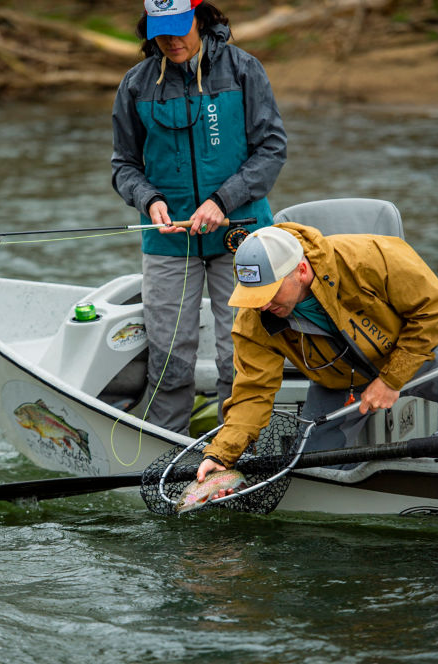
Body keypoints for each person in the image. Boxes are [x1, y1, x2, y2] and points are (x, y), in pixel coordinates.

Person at [111, 0, 287, 434]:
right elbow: (124, 166)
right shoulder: (135, 85)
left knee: (239, 355)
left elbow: (272, 150)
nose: (171, 40)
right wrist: (148, 199)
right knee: (170, 357)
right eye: (160, 30)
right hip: (168, 241)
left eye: (179, 27)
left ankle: (240, 447)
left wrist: (222, 201)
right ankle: (163, 451)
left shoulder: (243, 69)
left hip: (241, 236)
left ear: (201, 17)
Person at [197, 222, 438, 482]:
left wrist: (391, 379)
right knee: (312, 473)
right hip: (340, 384)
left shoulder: (371, 256)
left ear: (301, 271)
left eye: (270, 292)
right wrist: (221, 455)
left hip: (417, 354)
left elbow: (435, 310)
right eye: (253, 295)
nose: (262, 305)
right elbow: (252, 392)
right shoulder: (254, 318)